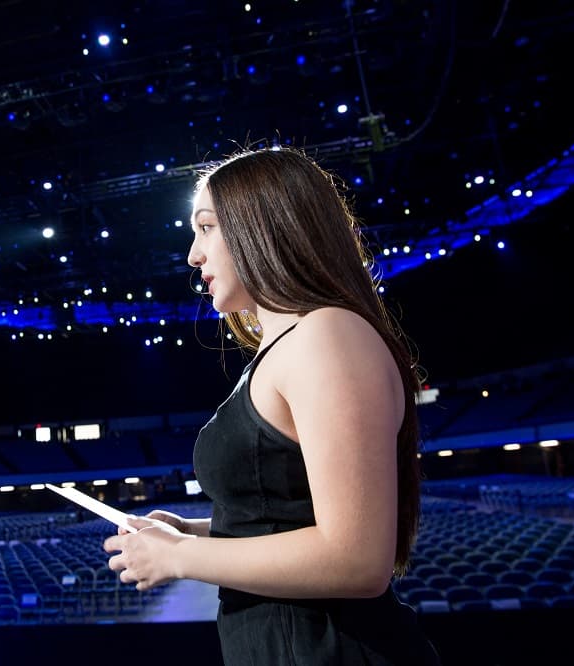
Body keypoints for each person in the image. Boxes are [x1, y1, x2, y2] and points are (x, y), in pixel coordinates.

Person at [104, 146, 441, 665]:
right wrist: (193, 531)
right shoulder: (291, 345)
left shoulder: (327, 335)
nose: (194, 255)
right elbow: (284, 516)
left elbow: (356, 560)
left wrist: (181, 557)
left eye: (206, 227)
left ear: (261, 224)